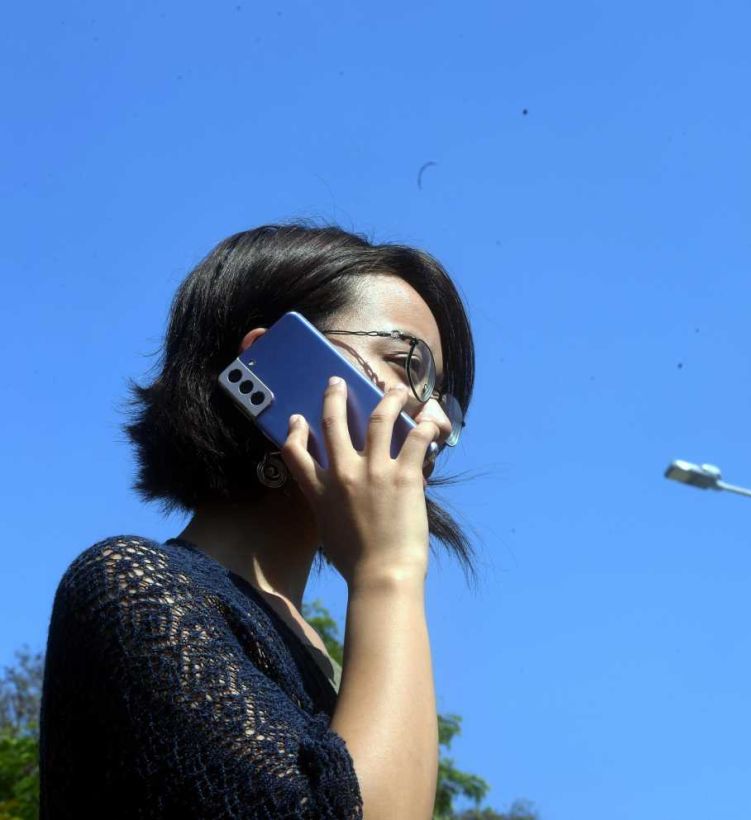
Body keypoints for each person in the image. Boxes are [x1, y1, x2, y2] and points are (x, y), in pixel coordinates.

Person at [38, 224, 476, 819]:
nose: (435, 423)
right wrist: (387, 573)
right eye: (407, 365)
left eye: (441, 398)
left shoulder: (325, 664)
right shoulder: (134, 586)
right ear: (272, 363)